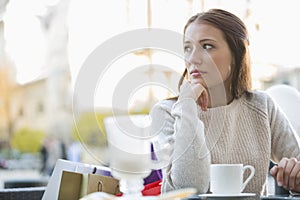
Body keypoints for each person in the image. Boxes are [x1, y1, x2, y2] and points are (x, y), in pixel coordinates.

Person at [149, 8, 300, 196]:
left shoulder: (262, 106)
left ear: (237, 53)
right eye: (188, 48)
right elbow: (188, 190)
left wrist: (295, 174)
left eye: (207, 46)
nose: (193, 58)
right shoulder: (167, 112)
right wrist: (187, 104)